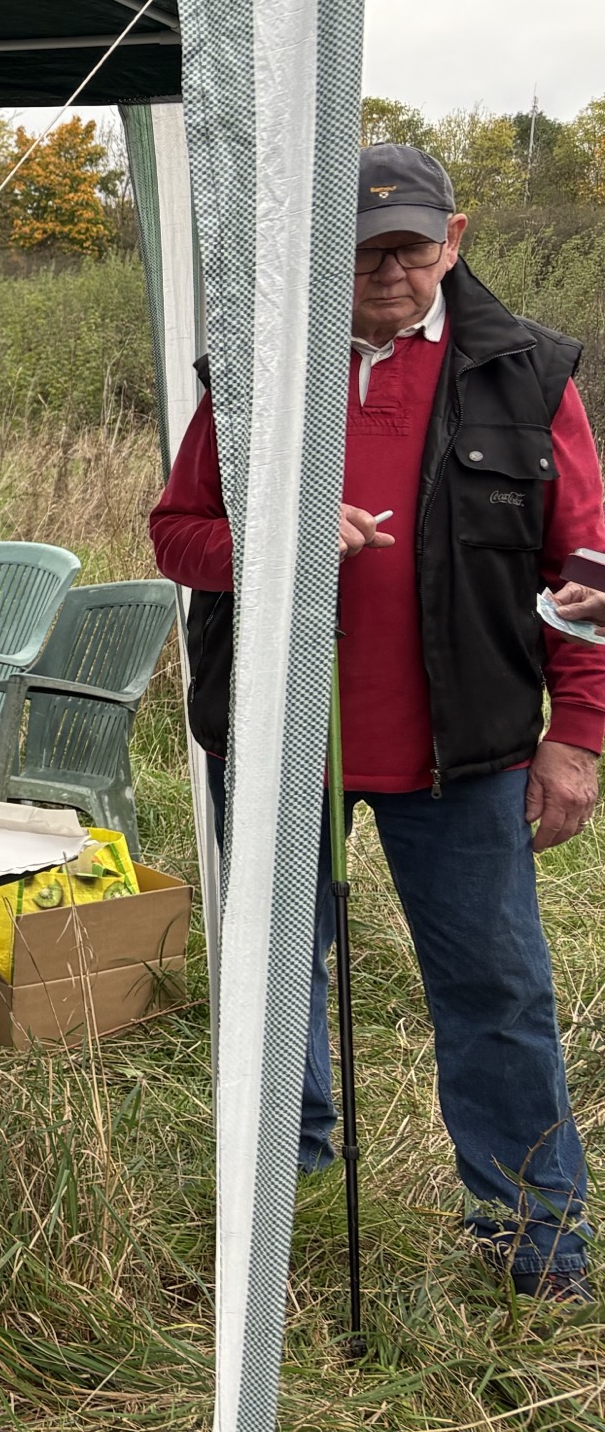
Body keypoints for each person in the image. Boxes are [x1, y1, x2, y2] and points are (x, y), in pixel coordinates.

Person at [151, 143, 604, 1301]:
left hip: (469, 755)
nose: (385, 269)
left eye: (407, 244)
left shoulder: (529, 371)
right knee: (272, 975)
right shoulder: (254, 372)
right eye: (358, 250)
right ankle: (288, 1176)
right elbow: (178, 535)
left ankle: (535, 1245)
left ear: (453, 237)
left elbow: (587, 572)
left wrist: (578, 734)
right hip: (282, 743)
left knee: (496, 993)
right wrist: (278, 543)